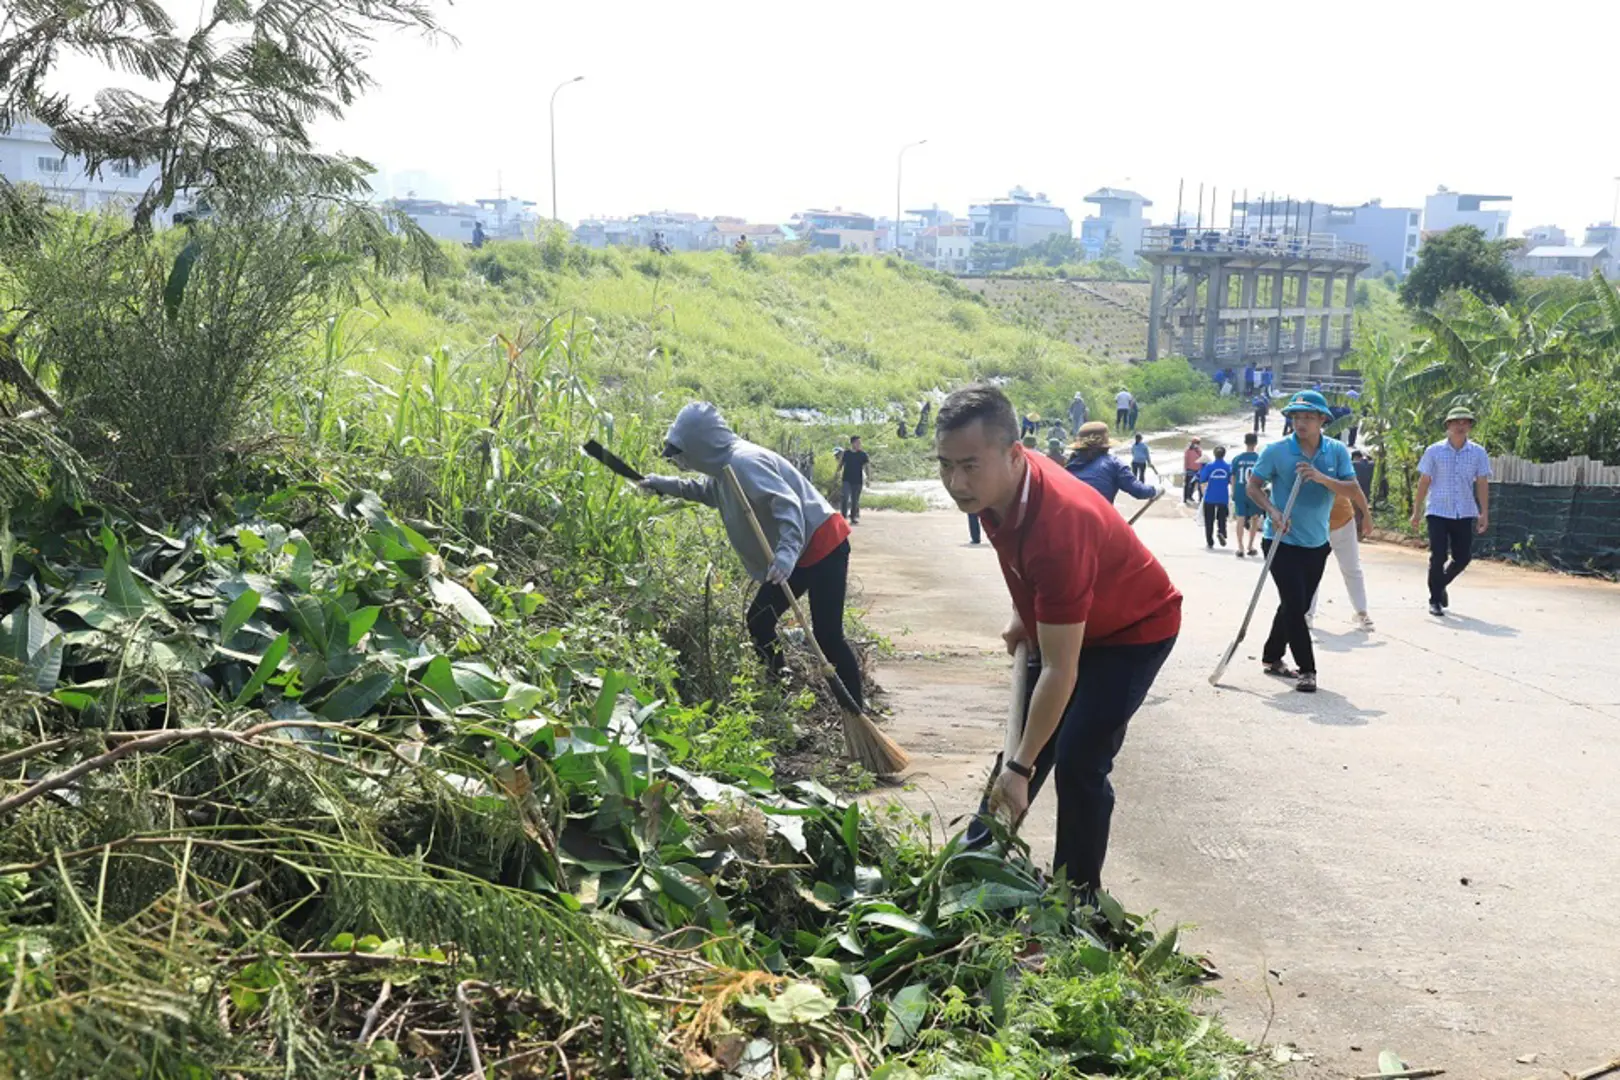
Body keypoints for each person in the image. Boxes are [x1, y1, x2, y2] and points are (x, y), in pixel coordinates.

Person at [940, 385, 1181, 900]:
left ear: (1013, 454)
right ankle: (971, 868)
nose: (955, 482)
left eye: (968, 466)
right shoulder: (993, 492)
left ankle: (1077, 898)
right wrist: (1022, 614)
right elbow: (1020, 563)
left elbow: (1060, 671)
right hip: (1070, 622)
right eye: (945, 465)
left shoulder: (1058, 523)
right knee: (1021, 747)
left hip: (1132, 631)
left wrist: (1023, 766)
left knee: (1074, 758)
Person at [639, 402, 865, 707]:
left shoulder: (744, 462)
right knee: (759, 621)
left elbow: (787, 505)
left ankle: (855, 709)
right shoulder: (722, 470)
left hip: (821, 544)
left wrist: (785, 556)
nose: (679, 460)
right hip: (795, 552)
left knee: (827, 635)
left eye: (681, 453)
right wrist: (661, 484)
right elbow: (706, 491)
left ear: (699, 445)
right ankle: (779, 690)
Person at [1243, 390, 1361, 693]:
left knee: (1295, 603)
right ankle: (1307, 670)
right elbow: (1253, 486)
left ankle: (1271, 656)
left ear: (1323, 420)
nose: (1301, 423)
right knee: (1297, 606)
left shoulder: (1336, 451)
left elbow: (1350, 489)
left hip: (1317, 543)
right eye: (1296, 417)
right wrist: (1273, 510)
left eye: (1308, 417)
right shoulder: (1277, 451)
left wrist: (1321, 478)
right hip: (1280, 539)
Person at [1410, 405, 1492, 617]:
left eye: (1465, 422)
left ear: (1470, 426)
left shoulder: (1478, 452)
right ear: (1448, 425)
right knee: (1438, 555)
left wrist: (1484, 512)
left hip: (1464, 511)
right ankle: (1435, 599)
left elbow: (1482, 482)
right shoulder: (1434, 451)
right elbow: (1424, 481)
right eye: (1456, 422)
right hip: (1438, 510)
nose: (1460, 426)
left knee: (1463, 557)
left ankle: (1440, 584)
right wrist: (1416, 510)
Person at [1308, 492, 1375, 632]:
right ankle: (1307, 614)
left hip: (1344, 522)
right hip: (1315, 524)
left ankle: (1362, 612)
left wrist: (1367, 516)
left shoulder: (1340, 469)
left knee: (1352, 569)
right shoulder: (1304, 470)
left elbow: (1354, 487)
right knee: (1311, 571)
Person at [1064, 422, 1158, 506]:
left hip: (1068, 518)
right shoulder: (1113, 463)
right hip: (1099, 518)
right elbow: (1139, 491)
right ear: (1106, 446)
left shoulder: (1068, 465)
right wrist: (1154, 491)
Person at [1230, 433, 1262, 556]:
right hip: (1254, 492)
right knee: (1255, 518)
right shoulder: (1259, 458)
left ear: (1245, 442)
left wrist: (1233, 491)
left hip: (1240, 490)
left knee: (1240, 519)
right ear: (1256, 443)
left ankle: (1240, 547)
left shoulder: (1237, 458)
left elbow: (1233, 476)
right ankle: (1250, 545)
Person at [1197, 446, 1233, 548]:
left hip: (1210, 496)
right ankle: (1221, 531)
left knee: (1209, 520)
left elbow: (1202, 480)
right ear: (1224, 455)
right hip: (1223, 496)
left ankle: (1210, 541)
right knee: (1222, 518)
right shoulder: (1228, 467)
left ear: (1214, 454)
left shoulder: (1209, 467)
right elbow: (1231, 480)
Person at [839, 435, 870, 524]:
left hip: (858, 480)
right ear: (852, 443)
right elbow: (841, 463)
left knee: (855, 500)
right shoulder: (846, 453)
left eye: (860, 443)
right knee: (844, 497)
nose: (859, 444)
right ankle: (843, 516)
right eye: (857, 442)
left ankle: (853, 517)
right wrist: (836, 473)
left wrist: (868, 479)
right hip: (846, 479)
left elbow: (867, 467)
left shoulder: (863, 455)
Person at [1181, 438, 1204, 504]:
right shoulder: (1188, 450)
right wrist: (1185, 470)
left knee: (1197, 485)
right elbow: (1186, 461)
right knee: (1189, 485)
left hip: (1198, 470)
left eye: (1198, 443)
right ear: (1193, 443)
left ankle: (1198, 498)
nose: (1197, 445)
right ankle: (1186, 498)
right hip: (1190, 470)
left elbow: (1201, 460)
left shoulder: (1199, 450)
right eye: (1196, 443)